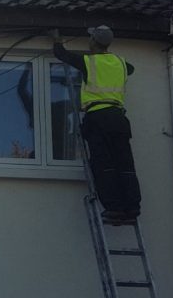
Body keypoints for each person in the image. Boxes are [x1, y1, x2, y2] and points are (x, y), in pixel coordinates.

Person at [52, 25, 141, 223]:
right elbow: (131, 69)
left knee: (104, 165)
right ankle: (132, 207)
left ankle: (114, 208)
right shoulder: (120, 63)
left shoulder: (88, 62)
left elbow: (61, 54)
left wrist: (57, 38)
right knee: (125, 164)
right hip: (118, 119)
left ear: (93, 42)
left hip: (98, 119)